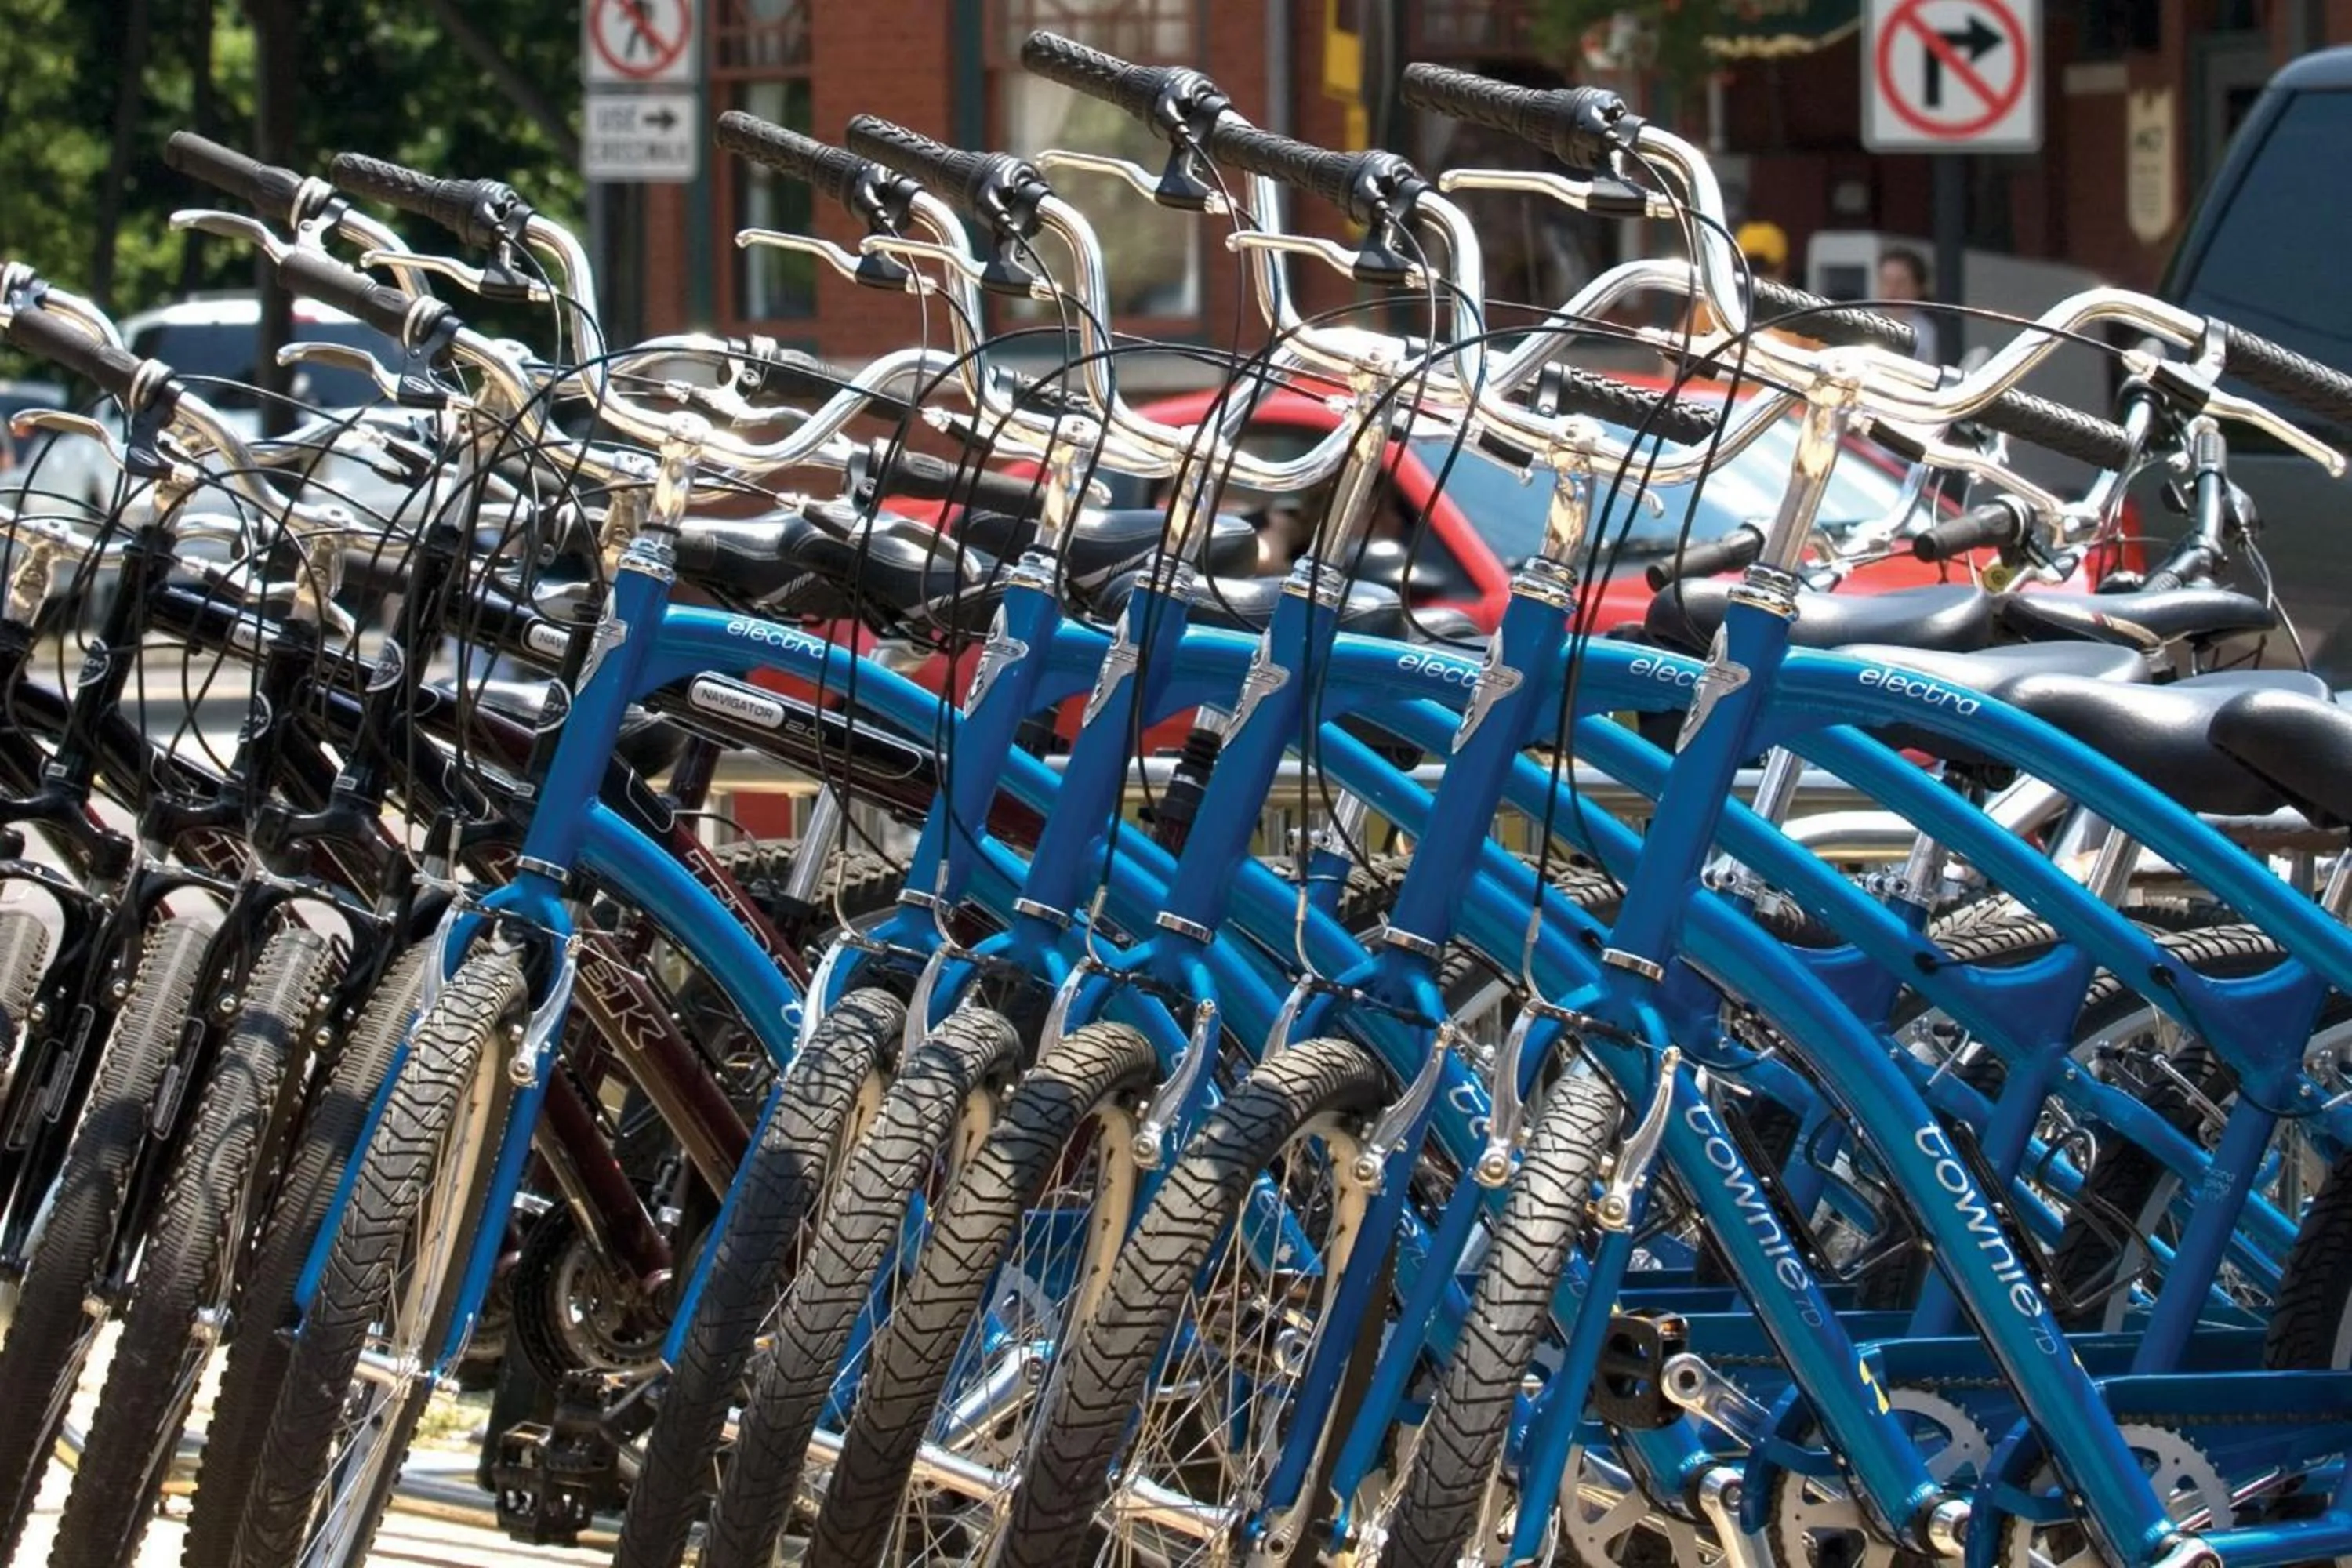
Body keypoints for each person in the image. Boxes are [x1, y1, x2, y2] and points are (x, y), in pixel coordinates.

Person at [1878, 246, 1944, 367]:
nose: (1892, 290)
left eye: (1901, 282)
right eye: (1886, 282)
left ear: (1919, 287)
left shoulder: (1928, 333)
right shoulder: (1866, 324)